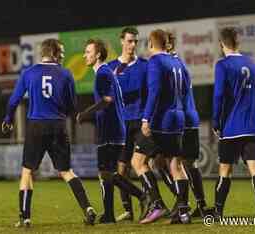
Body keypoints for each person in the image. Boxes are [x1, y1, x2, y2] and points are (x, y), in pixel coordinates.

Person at [2, 38, 97, 227]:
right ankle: (87, 208)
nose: (63, 55)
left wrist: (8, 119)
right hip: (59, 125)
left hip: (36, 125)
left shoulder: (29, 73)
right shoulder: (66, 74)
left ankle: (25, 217)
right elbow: (72, 105)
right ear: (53, 53)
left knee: (27, 172)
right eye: (61, 52)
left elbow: (14, 100)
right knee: (66, 171)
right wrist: (70, 114)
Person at [77, 39, 149, 224]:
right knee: (108, 172)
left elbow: (107, 100)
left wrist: (85, 113)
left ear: (98, 54)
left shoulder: (102, 73)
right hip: (115, 127)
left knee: (106, 173)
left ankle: (142, 196)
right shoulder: (107, 72)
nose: (85, 55)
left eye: (88, 52)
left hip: (110, 129)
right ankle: (109, 215)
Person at [130, 29, 191, 224]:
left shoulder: (155, 62)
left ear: (150, 43)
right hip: (178, 117)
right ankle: (183, 212)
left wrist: (146, 118)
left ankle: (157, 204)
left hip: (161, 121)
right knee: (175, 165)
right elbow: (185, 88)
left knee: (137, 162)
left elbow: (154, 92)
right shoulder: (177, 61)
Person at [212, 27, 255, 218]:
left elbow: (219, 95)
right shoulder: (251, 63)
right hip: (252, 126)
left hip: (232, 127)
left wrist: (216, 121)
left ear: (222, 43)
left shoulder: (222, 65)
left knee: (225, 170)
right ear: (238, 43)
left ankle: (218, 212)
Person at [163, 31, 208, 218]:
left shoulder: (166, 66)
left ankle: (182, 205)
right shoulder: (181, 64)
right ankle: (201, 205)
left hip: (178, 119)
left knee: (167, 162)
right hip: (191, 117)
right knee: (189, 162)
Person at [107, 27, 148, 221]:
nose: (132, 45)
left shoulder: (145, 66)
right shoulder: (111, 67)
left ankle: (154, 202)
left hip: (141, 122)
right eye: (130, 41)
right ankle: (129, 209)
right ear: (122, 41)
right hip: (122, 124)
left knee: (145, 164)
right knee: (121, 169)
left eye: (135, 42)